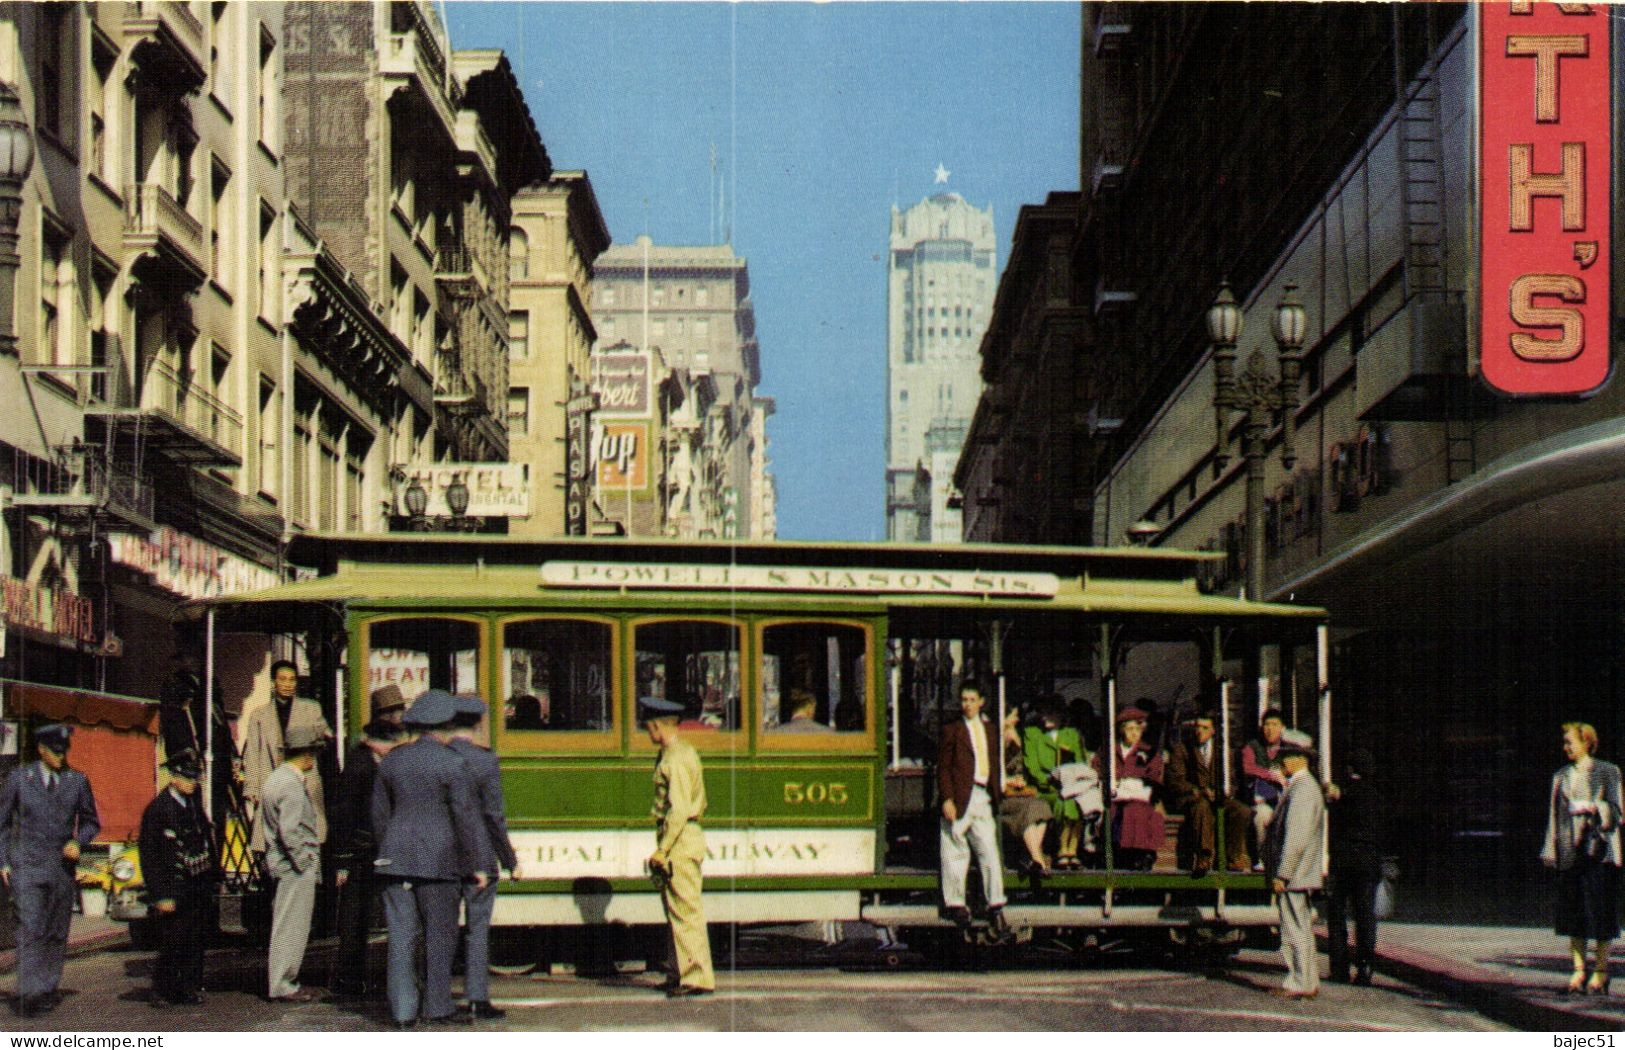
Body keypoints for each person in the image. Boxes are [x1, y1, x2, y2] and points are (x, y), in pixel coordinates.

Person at [372, 689, 491, 1028]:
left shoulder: (392, 760)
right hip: (439, 863)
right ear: (447, 724)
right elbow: (465, 820)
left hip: (394, 861)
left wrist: (390, 853)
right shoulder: (454, 764)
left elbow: (380, 815)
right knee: (440, 935)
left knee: (400, 935)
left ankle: (403, 1010)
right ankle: (437, 1006)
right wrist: (475, 866)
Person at [0, 724, 101, 1018]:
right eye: (56, 751)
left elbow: (92, 822)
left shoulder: (77, 781)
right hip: (27, 867)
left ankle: (45, 989)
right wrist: (3, 861)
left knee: (56, 932)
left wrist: (78, 841)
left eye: (64, 750)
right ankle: (30, 994)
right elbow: (2, 823)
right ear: (41, 750)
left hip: (61, 870)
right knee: (31, 928)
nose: (61, 756)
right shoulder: (20, 779)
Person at [448, 695, 521, 1020]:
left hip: (443, 856)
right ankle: (477, 997)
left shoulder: (440, 757)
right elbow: (494, 816)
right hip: (478, 855)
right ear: (478, 724)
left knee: (441, 927)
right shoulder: (485, 761)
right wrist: (510, 859)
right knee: (478, 929)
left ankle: (434, 996)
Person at [1540, 721, 1623, 996]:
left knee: (1599, 913)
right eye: (1564, 743)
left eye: (1570, 742)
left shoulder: (1608, 772)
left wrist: (1591, 807)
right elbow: (1554, 816)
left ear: (1587, 742)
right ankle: (1578, 969)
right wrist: (1550, 851)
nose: (1566, 748)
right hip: (1571, 852)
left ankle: (1600, 971)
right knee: (1574, 913)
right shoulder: (1561, 776)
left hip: (1600, 853)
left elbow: (1618, 811)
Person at [644, 698, 715, 997]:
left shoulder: (675, 758)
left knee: (685, 911)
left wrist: (663, 849)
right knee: (676, 910)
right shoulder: (676, 753)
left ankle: (696, 977)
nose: (647, 732)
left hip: (681, 839)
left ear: (658, 725)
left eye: (648, 726)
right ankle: (680, 972)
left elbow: (680, 809)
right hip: (679, 838)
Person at [137, 748, 217, 1008]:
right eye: (187, 777)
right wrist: (160, 895)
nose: (192, 783)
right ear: (173, 777)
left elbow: (206, 838)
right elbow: (149, 857)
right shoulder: (158, 810)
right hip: (173, 885)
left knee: (195, 938)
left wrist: (213, 875)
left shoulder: (193, 804)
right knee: (173, 939)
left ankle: (188, 988)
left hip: (197, 882)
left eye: (195, 778)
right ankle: (162, 989)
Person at [332, 718, 406, 999]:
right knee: (354, 918)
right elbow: (344, 813)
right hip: (359, 852)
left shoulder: (373, 762)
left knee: (362, 917)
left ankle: (353, 977)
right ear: (377, 741)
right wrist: (343, 859)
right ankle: (348, 979)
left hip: (368, 850)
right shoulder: (360, 766)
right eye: (391, 742)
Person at [261, 721, 330, 1003]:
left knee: (285, 924)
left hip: (282, 864)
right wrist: (304, 863)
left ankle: (283, 980)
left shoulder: (275, 779)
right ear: (307, 755)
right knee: (292, 926)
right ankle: (284, 983)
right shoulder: (290, 785)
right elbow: (290, 831)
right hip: (294, 867)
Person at [937, 682, 1010, 938]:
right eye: (964, 700)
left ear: (981, 702)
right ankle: (956, 904)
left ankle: (996, 904)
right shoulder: (953, 730)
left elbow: (995, 762)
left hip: (981, 795)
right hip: (959, 797)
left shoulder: (990, 730)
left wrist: (998, 791)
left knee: (988, 849)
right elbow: (944, 767)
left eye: (971, 699)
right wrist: (946, 798)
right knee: (955, 848)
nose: (967, 704)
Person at [242, 660, 333, 855]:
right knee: (273, 843)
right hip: (273, 780)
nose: (287, 684)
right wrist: (252, 786)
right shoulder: (259, 715)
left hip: (304, 781)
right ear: (273, 682)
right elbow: (253, 753)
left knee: (305, 839)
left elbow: (326, 738)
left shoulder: (310, 709)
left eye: (292, 680)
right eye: (282, 679)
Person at [1264, 729, 1325, 1000]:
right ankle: (1307, 980)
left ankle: (1300, 981)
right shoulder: (1304, 787)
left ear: (1301, 758)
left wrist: (1283, 874)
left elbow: (1296, 838)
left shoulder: (1302, 789)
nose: (1282, 762)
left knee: (1294, 928)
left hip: (1295, 873)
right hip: (1301, 872)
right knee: (1300, 926)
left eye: (1287, 757)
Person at [1325, 747, 1385, 985]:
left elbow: (1332, 829)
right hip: (1368, 861)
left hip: (1343, 860)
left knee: (1337, 914)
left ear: (1349, 769)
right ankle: (1365, 967)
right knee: (1365, 916)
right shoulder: (1377, 798)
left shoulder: (1342, 797)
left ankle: (1340, 967)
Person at [1166, 711, 1252, 875]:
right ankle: (1204, 855)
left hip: (1218, 796)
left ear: (1213, 730)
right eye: (1197, 727)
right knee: (1202, 807)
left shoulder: (1223, 751)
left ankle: (1233, 856)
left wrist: (1222, 792)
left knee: (1242, 811)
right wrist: (1196, 790)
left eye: (1205, 728)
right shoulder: (1182, 749)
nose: (1199, 731)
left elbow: (1232, 779)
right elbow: (1175, 780)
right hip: (1193, 797)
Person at [1097, 705, 1164, 871]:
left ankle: (1140, 856)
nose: (1134, 733)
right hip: (1112, 798)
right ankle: (1119, 858)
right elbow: (1097, 771)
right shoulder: (1108, 751)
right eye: (1130, 729)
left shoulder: (1148, 752)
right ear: (1121, 730)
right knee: (1112, 814)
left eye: (1138, 729)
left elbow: (1154, 777)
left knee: (1136, 811)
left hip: (1140, 799)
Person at [1023, 696, 1086, 870]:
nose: (1044, 717)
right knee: (1063, 801)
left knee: (1075, 801)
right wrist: (1051, 782)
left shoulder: (1072, 735)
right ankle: (1062, 850)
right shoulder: (1032, 734)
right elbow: (1033, 767)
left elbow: (1080, 762)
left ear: (1060, 715)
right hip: (1045, 789)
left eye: (1049, 713)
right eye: (1042, 713)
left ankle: (1070, 850)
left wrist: (1070, 783)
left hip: (1069, 786)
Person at [1241, 709, 1288, 866]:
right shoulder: (1252, 746)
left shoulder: (1289, 749)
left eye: (1274, 724)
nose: (1270, 729)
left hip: (1285, 799)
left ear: (1282, 728)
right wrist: (1270, 774)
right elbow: (1248, 767)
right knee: (1262, 817)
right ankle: (1264, 859)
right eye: (1267, 724)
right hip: (1262, 800)